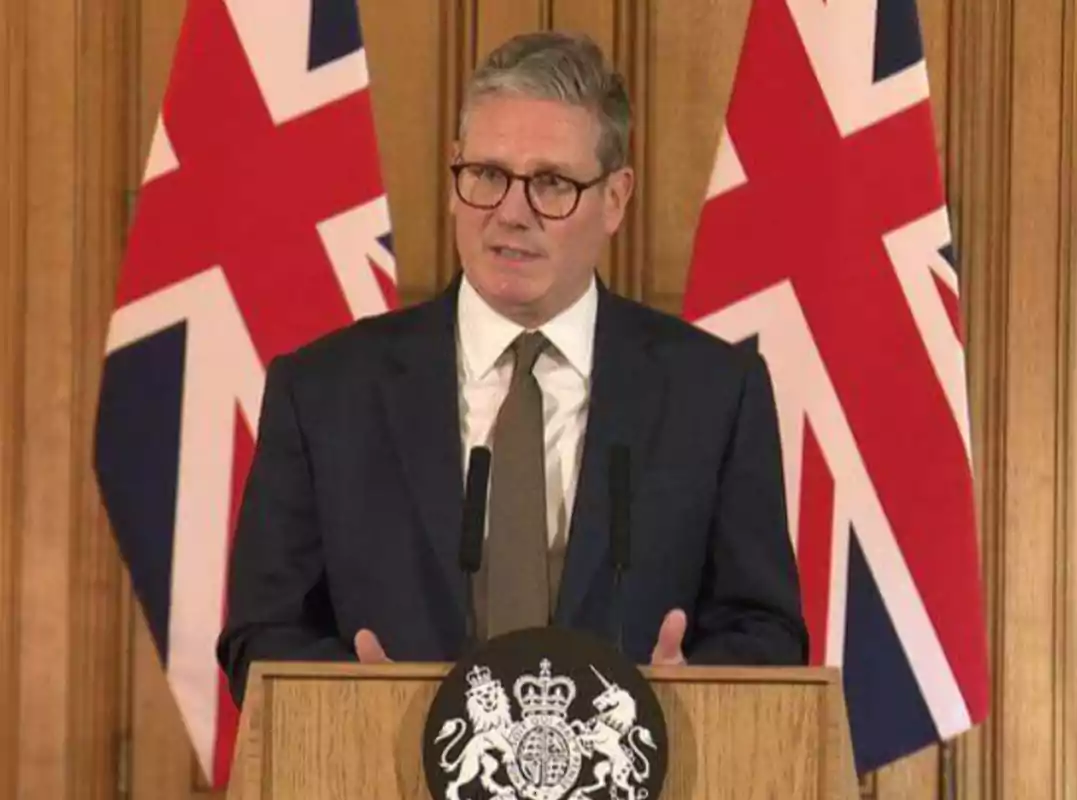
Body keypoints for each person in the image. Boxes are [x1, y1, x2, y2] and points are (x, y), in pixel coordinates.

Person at [217, 30, 808, 706]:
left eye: (551, 183)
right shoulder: (324, 392)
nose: (511, 213)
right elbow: (262, 634)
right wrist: (357, 705)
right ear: (454, 174)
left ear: (615, 199)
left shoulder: (714, 393)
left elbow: (765, 630)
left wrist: (689, 699)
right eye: (488, 176)